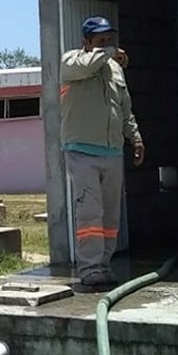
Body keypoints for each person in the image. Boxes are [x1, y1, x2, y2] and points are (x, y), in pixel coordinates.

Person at [60, 16, 145, 290]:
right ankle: (90, 268)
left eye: (109, 40)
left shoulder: (115, 71)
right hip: (82, 151)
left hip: (111, 152)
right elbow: (87, 64)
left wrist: (136, 138)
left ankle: (104, 265)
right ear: (86, 43)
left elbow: (124, 109)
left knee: (109, 216)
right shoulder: (72, 61)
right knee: (90, 212)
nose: (107, 45)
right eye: (100, 40)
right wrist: (109, 54)